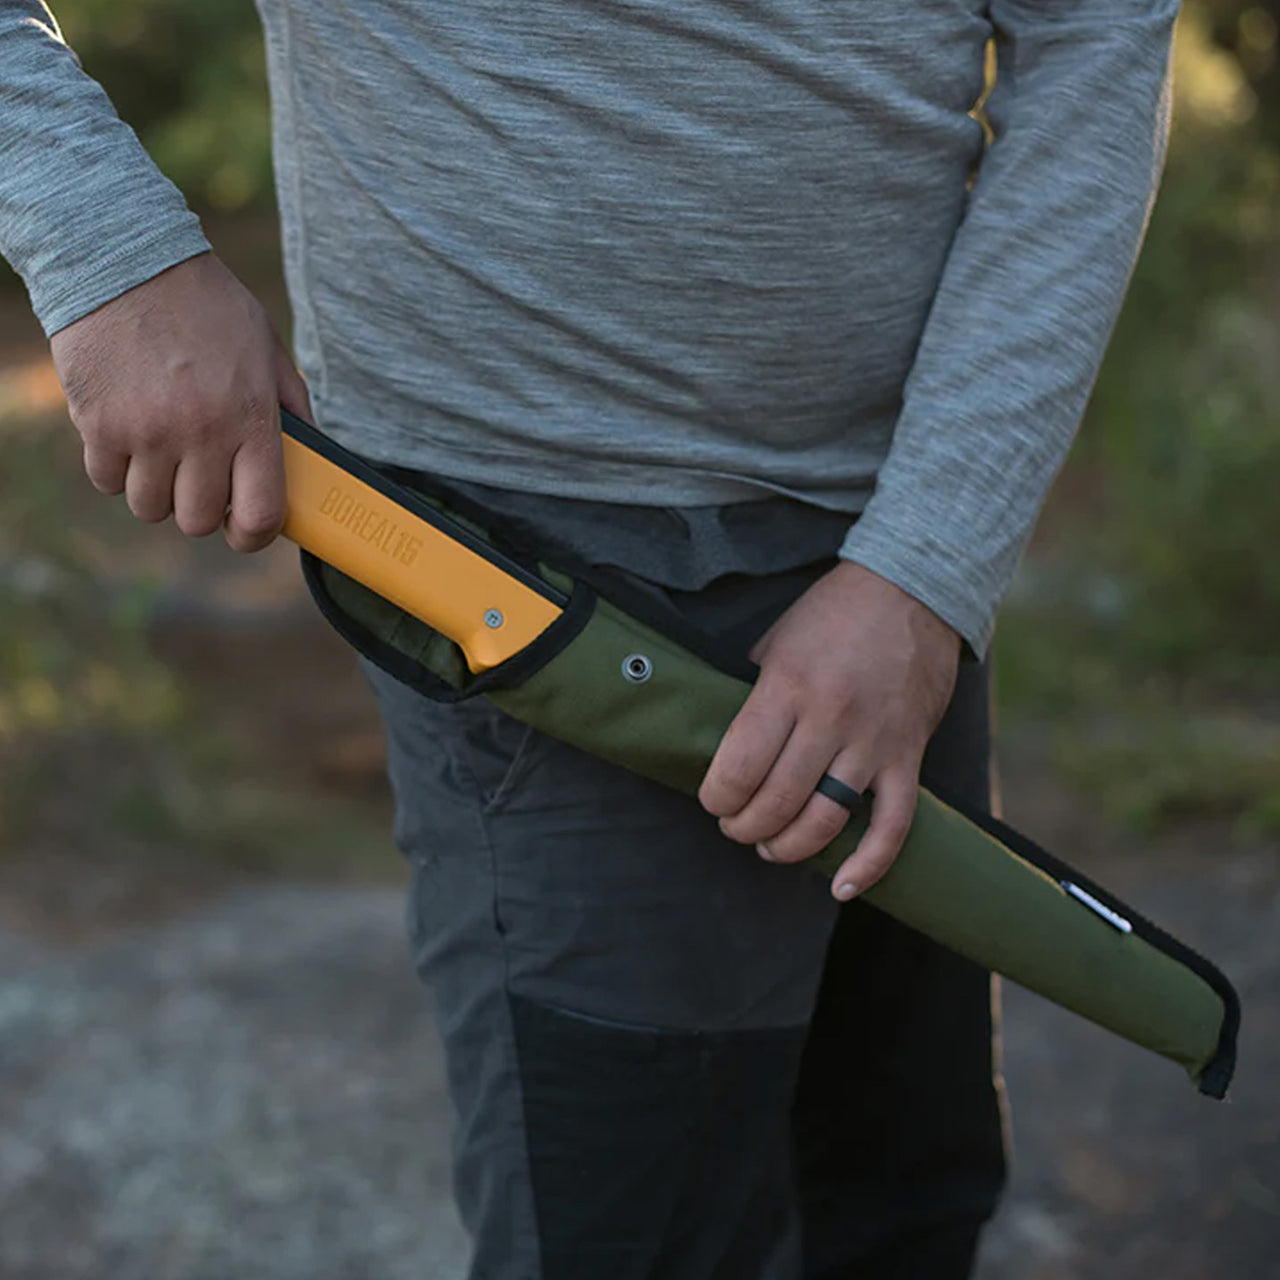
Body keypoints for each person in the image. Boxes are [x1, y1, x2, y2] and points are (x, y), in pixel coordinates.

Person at [0, 2, 1180, 1276]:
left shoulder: (918, 570)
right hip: (529, 592)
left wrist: (925, 569)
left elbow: (1095, 30)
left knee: (897, 1208)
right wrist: (108, 248)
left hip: (903, 550)